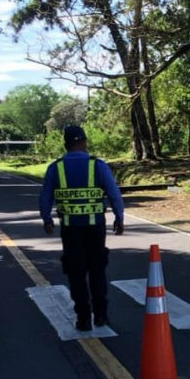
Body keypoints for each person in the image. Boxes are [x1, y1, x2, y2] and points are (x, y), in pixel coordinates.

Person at [39, 126, 124, 331]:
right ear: (85, 142)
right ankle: (101, 315)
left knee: (76, 273)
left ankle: (83, 318)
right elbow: (114, 193)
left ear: (65, 144)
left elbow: (45, 197)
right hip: (96, 228)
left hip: (70, 229)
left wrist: (46, 219)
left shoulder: (56, 168)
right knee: (97, 270)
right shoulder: (98, 165)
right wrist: (119, 217)